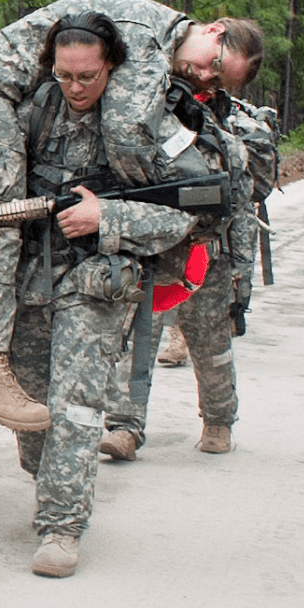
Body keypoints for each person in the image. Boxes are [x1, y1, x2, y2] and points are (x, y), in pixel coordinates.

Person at [0, 12, 232, 578]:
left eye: (88, 78)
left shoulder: (151, 122)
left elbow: (188, 214)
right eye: (65, 75)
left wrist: (107, 215)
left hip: (95, 280)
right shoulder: (34, 109)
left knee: (75, 404)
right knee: (31, 403)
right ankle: (49, 490)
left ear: (112, 68)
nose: (75, 89)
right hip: (29, 279)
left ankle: (62, 527)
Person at [0, 0, 263, 432]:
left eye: (215, 83)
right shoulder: (146, 37)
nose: (201, 76)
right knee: (1, 216)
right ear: (214, 30)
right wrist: (134, 191)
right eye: (213, 65)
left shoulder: (154, 44)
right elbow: (125, 131)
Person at [99, 94, 275, 459]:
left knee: (211, 348)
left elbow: (241, 210)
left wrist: (242, 272)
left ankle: (218, 421)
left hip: (208, 262)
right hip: (155, 261)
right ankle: (124, 426)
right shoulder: (144, 144)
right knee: (138, 341)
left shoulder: (225, 145)